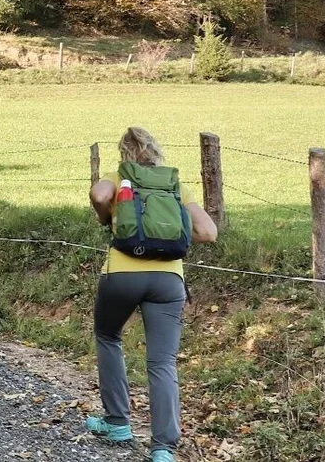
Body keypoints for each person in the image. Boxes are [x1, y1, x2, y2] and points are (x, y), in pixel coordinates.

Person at [85, 127, 218, 462]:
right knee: (162, 362)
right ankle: (163, 448)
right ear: (157, 152)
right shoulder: (175, 186)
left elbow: (99, 196)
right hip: (168, 280)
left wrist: (109, 219)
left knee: (108, 335)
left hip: (122, 276)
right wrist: (172, 239)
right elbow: (209, 232)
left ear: (123, 153)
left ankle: (118, 421)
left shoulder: (119, 178)